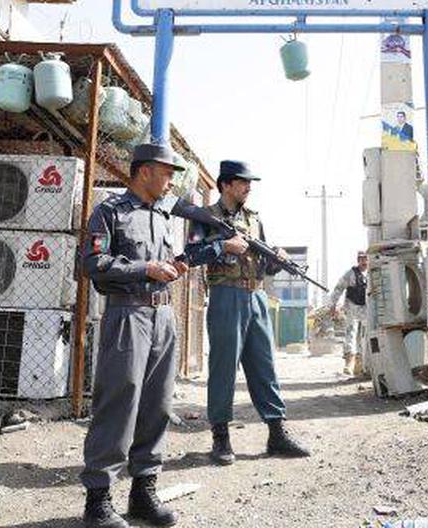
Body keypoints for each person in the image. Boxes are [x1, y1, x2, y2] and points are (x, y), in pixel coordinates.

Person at [80, 143, 212, 528]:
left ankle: (143, 492)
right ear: (144, 172)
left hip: (164, 315)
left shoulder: (162, 216)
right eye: (167, 172)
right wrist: (146, 268)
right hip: (128, 313)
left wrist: (173, 267)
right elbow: (93, 262)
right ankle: (98, 501)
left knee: (158, 403)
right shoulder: (110, 212)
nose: (172, 181)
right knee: (119, 401)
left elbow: (161, 265)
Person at [190, 160, 311, 467]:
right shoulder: (206, 217)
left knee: (264, 366)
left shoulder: (254, 220)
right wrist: (223, 247)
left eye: (249, 183)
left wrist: (278, 258)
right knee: (223, 368)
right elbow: (191, 255)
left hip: (256, 295)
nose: (249, 187)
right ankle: (221, 438)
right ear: (226, 185)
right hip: (225, 296)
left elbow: (263, 261)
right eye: (243, 182)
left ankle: (276, 433)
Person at [329, 251, 369, 376]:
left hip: (366, 309)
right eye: (361, 259)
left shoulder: (372, 273)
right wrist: (333, 304)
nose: (364, 262)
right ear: (358, 260)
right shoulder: (351, 274)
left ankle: (361, 364)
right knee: (350, 334)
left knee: (365, 336)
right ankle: (349, 363)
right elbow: (339, 288)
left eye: (366, 259)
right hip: (352, 307)